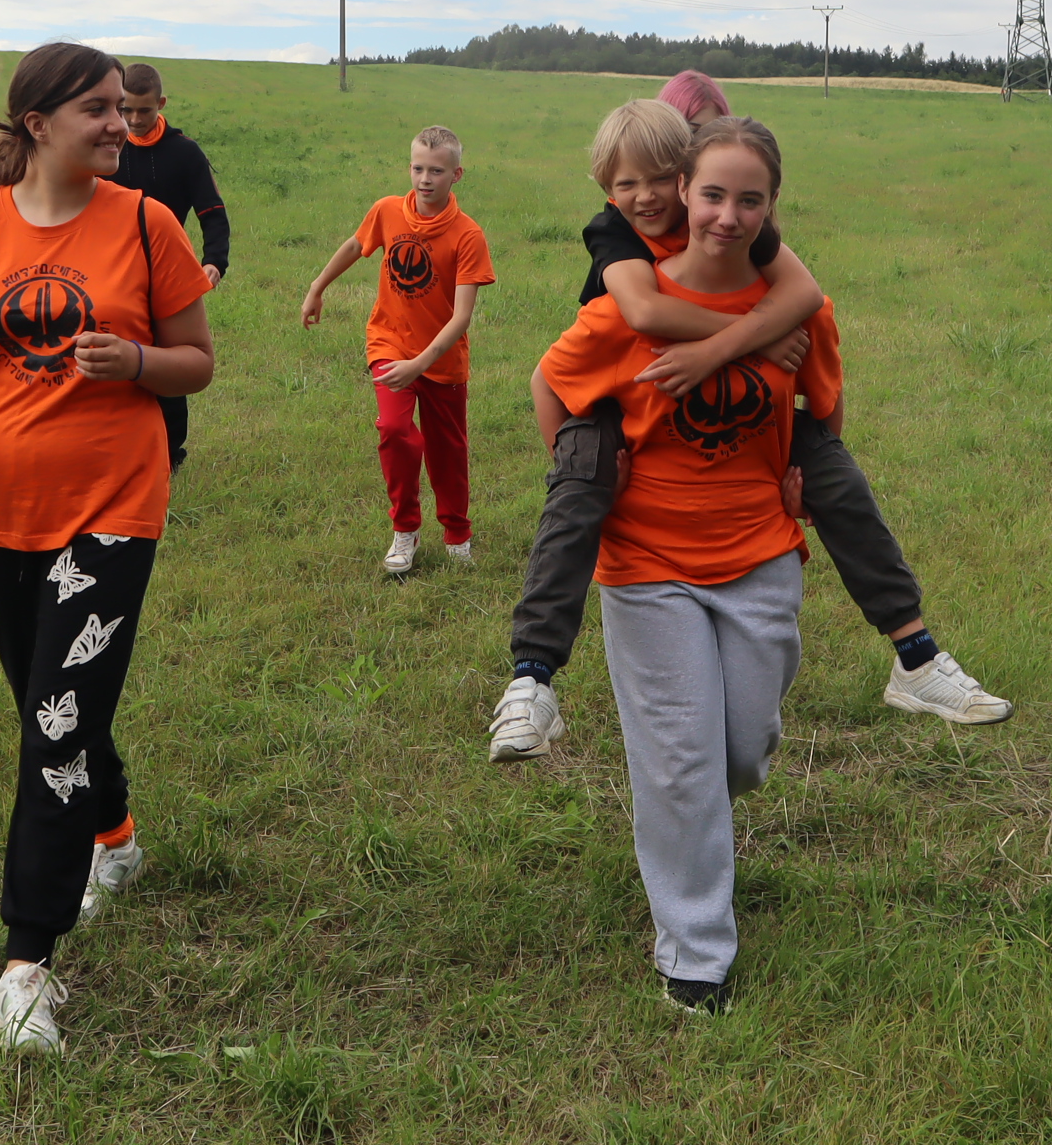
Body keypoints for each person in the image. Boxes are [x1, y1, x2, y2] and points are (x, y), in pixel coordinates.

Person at [487, 80, 1008, 763]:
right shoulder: (617, 238)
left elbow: (806, 299)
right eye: (626, 183)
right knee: (576, 493)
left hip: (748, 453)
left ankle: (916, 654)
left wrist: (800, 469)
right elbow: (640, 316)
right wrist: (748, 339)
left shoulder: (736, 224)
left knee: (838, 480)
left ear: (683, 174)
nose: (647, 197)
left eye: (661, 177)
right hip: (611, 404)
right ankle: (532, 679)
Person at [0, 42, 216, 1054]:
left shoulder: (148, 223)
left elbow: (197, 363)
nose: (122, 124)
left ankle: (26, 964)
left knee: (56, 721)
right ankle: (113, 835)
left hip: (113, 508)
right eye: (99, 110)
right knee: (51, 703)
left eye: (123, 107)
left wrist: (138, 361)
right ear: (37, 125)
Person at [532, 116, 828, 1014]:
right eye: (713, 195)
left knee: (739, 752)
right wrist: (586, 475)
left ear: (772, 208)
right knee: (679, 762)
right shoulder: (625, 303)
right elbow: (550, 383)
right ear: (687, 194)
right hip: (647, 559)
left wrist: (804, 473)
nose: (727, 215)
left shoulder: (793, 309)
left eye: (749, 200)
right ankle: (694, 952)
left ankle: (701, 804)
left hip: (758, 553)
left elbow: (822, 404)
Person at [298, 124, 496, 575]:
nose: (425, 179)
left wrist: (419, 365)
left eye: (436, 171)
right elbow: (356, 244)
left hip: (441, 359)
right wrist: (317, 286)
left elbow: (461, 317)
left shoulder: (468, 235)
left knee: (448, 452)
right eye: (418, 168)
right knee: (394, 428)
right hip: (389, 341)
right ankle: (405, 529)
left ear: (457, 175)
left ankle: (457, 533)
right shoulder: (388, 210)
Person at [108, 63, 231, 470]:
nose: (134, 120)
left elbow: (212, 212)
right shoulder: (108, 147)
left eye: (144, 110)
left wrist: (214, 261)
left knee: (167, 360)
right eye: (126, 110)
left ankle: (169, 455)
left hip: (165, 271)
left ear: (161, 104)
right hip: (109, 270)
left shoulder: (185, 152)